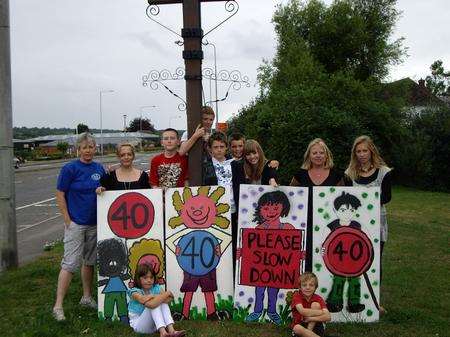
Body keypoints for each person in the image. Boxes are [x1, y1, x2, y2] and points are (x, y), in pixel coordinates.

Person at [52, 132, 106, 321]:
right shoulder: (70, 168)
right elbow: (60, 194)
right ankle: (58, 305)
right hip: (76, 223)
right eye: (84, 147)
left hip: (94, 223)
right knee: (70, 263)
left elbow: (104, 190)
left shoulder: (99, 168)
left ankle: (86, 296)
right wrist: (68, 220)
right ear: (78, 149)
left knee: (89, 262)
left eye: (91, 147)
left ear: (95, 148)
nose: (88, 151)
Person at [345, 135, 392, 313]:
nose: (362, 154)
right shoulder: (350, 173)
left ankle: (374, 301)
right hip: (355, 224)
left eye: (365, 150)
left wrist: (365, 200)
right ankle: (353, 298)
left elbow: (387, 197)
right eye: (358, 151)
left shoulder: (384, 172)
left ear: (371, 151)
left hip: (376, 223)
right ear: (354, 153)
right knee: (354, 261)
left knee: (374, 261)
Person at [290, 138, 344, 272]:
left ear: (327, 155)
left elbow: (342, 198)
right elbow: (291, 194)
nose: (318, 155)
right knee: (306, 256)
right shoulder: (300, 174)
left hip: (329, 224)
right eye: (315, 153)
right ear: (309, 155)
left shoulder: (336, 175)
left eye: (321, 152)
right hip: (305, 223)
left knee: (327, 255)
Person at [325, 192, 366, 313]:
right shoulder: (333, 225)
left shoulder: (356, 225)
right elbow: (325, 240)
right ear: (335, 210)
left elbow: (363, 240)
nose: (347, 213)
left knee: (355, 281)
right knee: (338, 280)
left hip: (354, 260)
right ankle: (334, 302)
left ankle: (354, 303)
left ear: (355, 211)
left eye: (351, 210)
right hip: (338, 261)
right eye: (343, 210)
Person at [128, 263, 186, 337]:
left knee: (161, 302)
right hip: (139, 326)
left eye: (151, 277)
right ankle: (163, 333)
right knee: (156, 303)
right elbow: (144, 301)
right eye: (145, 278)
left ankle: (172, 331)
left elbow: (170, 298)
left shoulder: (155, 288)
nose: (149, 280)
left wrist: (159, 297)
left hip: (155, 325)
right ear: (138, 278)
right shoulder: (134, 291)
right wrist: (166, 293)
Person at [291, 272, 331, 337]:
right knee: (296, 328)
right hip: (300, 324)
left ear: (315, 287)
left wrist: (311, 319)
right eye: (304, 285)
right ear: (300, 287)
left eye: (311, 285)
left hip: (315, 324)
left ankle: (308, 333)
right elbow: (302, 311)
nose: (308, 288)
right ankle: (310, 334)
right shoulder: (297, 296)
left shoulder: (318, 298)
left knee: (316, 305)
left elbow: (328, 317)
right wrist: (321, 312)